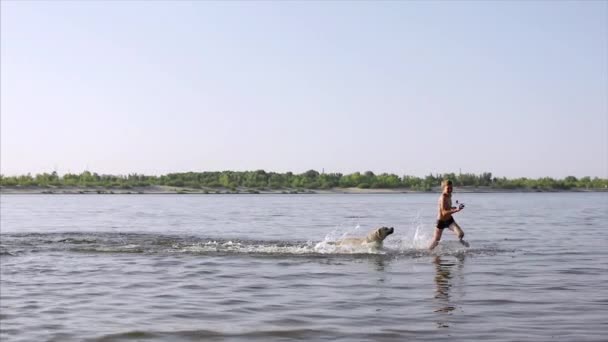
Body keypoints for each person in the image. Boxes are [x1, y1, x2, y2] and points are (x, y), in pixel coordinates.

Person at [429, 179, 469, 250]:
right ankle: (428, 251)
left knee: (461, 234)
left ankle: (461, 241)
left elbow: (447, 207)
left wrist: (453, 207)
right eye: (448, 188)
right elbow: (444, 212)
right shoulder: (443, 198)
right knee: (436, 241)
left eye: (451, 188)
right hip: (440, 222)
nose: (450, 190)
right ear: (443, 188)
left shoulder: (449, 195)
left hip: (449, 220)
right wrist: (456, 210)